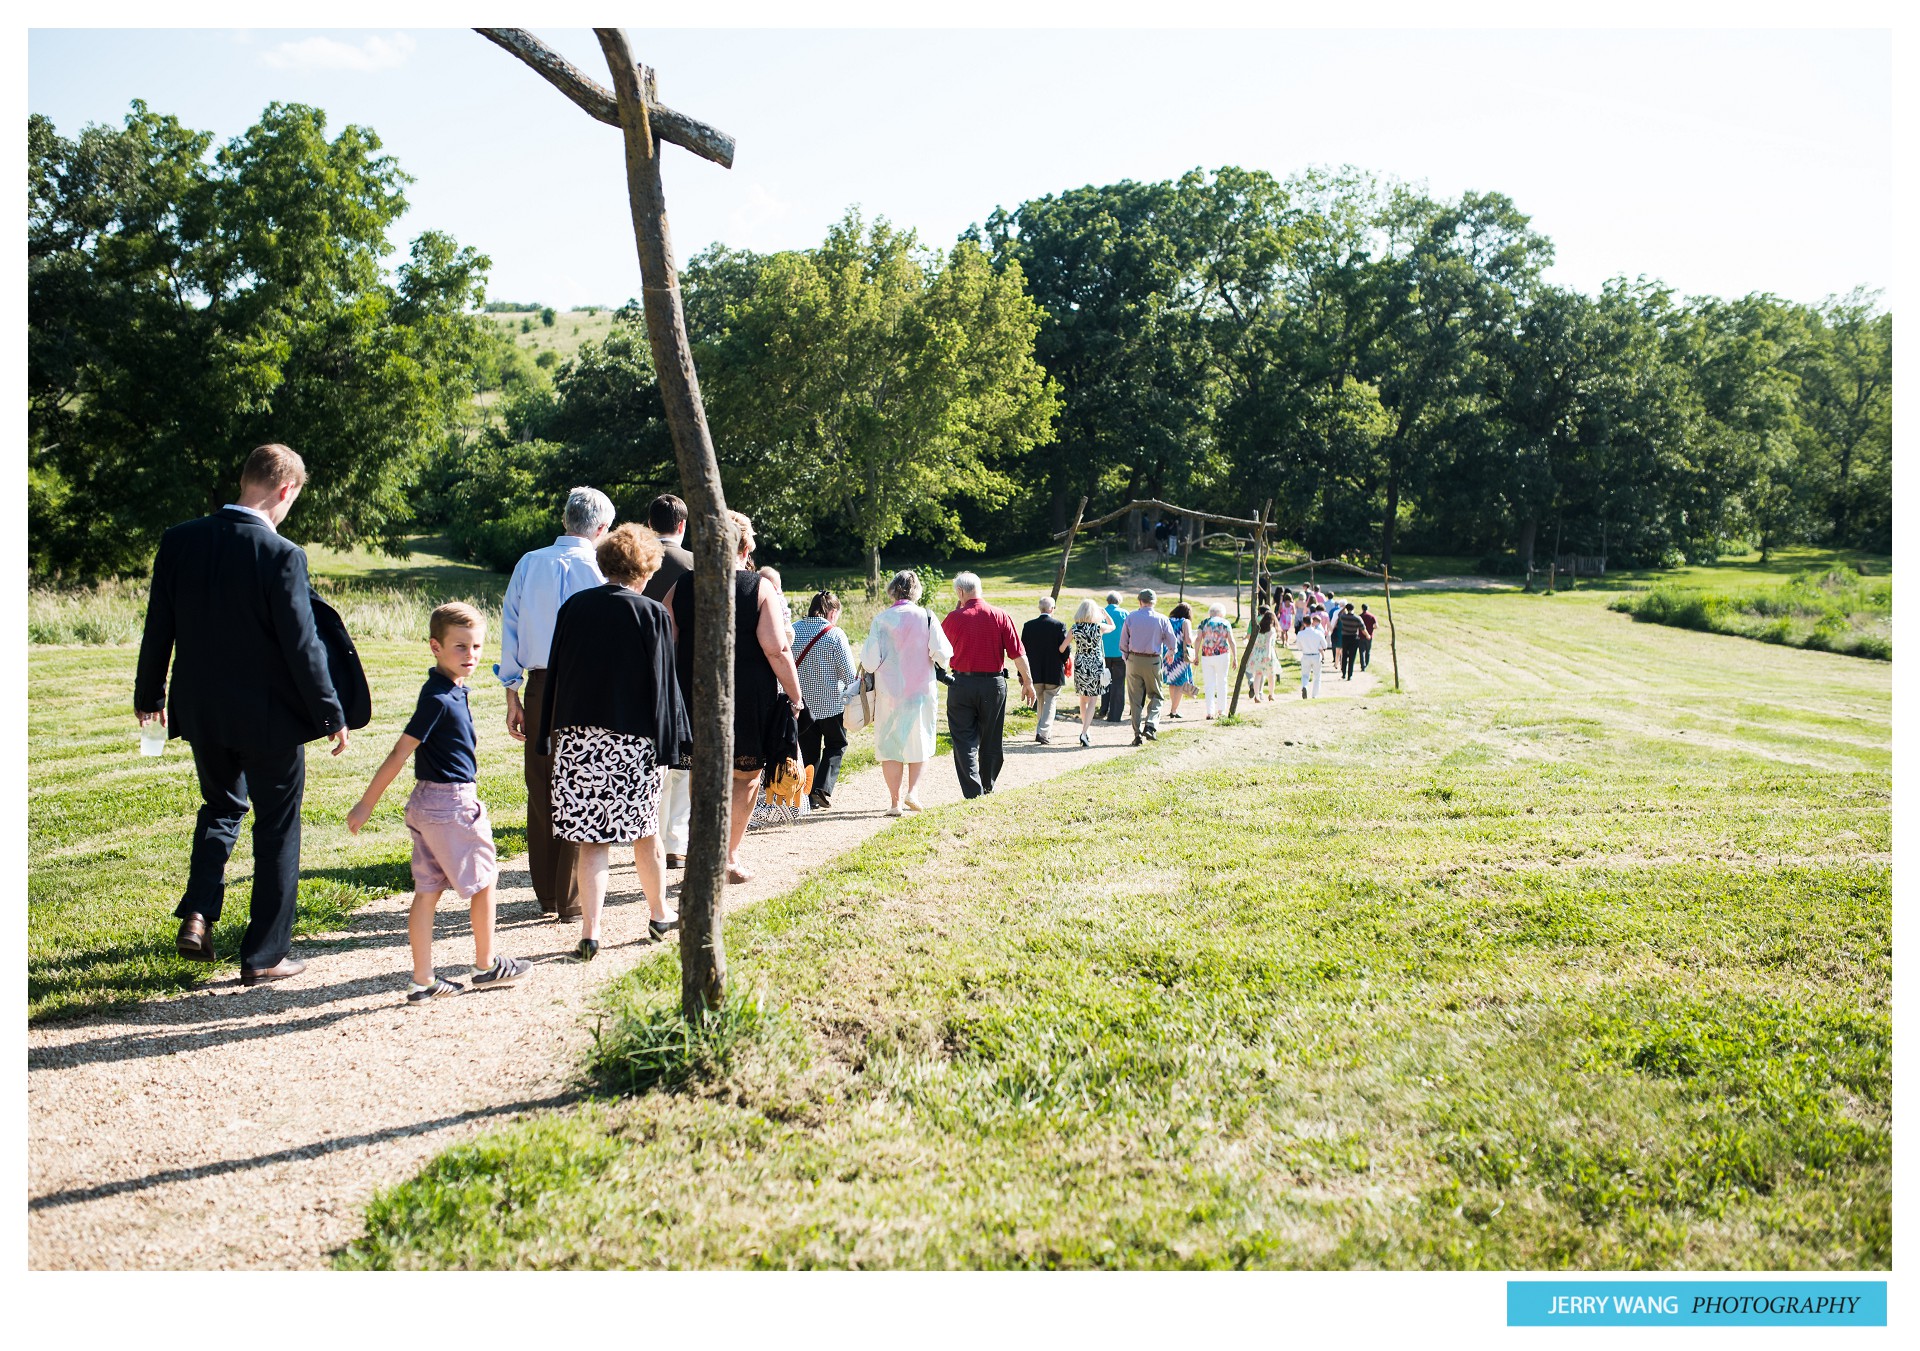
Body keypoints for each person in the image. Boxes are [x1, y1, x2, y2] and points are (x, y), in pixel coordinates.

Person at [135, 443, 353, 987]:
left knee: (221, 806)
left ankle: (199, 911)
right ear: (285, 490)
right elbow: (303, 647)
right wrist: (331, 713)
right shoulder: (281, 555)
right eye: (292, 500)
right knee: (277, 826)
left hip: (201, 710)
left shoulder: (179, 540)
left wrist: (149, 696)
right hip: (269, 718)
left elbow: (158, 624)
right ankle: (264, 955)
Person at [348, 603, 531, 1002]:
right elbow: (399, 752)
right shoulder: (438, 698)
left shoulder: (449, 690)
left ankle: (423, 980)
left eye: (477, 647)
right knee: (484, 881)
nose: (471, 656)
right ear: (435, 646)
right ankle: (486, 965)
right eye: (460, 647)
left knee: (427, 891)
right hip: (451, 804)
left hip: (427, 804)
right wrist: (366, 804)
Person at [538, 524, 689, 960]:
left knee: (591, 840)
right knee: (646, 836)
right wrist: (672, 740)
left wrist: (552, 727)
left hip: (580, 737)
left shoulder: (574, 608)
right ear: (647, 567)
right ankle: (660, 915)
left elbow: (558, 668)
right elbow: (664, 684)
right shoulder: (652, 614)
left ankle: (590, 930)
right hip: (634, 740)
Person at [664, 510, 804, 884]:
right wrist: (795, 693)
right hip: (746, 697)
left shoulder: (682, 586)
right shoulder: (758, 588)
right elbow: (776, 649)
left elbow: (666, 641)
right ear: (746, 546)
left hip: (695, 695)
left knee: (703, 771)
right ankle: (726, 857)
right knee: (745, 777)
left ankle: (702, 850)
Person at [498, 487, 613, 920]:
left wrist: (512, 693)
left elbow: (510, 626)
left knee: (541, 784)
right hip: (587, 686)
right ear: (600, 529)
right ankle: (569, 897)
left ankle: (548, 892)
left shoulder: (529, 563)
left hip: (540, 684)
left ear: (566, 520)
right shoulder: (602, 569)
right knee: (580, 785)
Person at [862, 570, 954, 815]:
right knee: (920, 740)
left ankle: (894, 803)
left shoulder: (881, 620)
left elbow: (870, 662)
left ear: (893, 590)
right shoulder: (927, 616)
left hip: (889, 694)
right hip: (920, 691)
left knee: (890, 746)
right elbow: (943, 654)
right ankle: (913, 792)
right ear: (917, 591)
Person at [941, 572, 1036, 797]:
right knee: (991, 737)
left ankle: (973, 790)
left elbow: (936, 651)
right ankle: (988, 784)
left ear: (960, 592)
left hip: (961, 682)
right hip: (993, 684)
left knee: (963, 739)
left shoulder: (953, 618)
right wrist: (1028, 682)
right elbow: (1018, 654)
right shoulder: (1000, 615)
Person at [640, 494, 695, 869]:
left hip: (642, 669)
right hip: (686, 668)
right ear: (682, 526)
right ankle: (676, 839)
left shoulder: (635, 562)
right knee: (684, 759)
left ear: (650, 524)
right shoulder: (696, 564)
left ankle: (649, 834)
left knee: (649, 754)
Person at [792, 591, 858, 809]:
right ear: (831, 612)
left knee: (808, 751)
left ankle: (808, 795)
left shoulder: (793, 629)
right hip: (831, 704)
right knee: (837, 744)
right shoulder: (835, 635)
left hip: (802, 705)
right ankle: (821, 788)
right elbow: (849, 675)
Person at [1119, 588, 1175, 746]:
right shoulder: (1162, 619)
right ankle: (1150, 725)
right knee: (1157, 695)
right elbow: (1172, 643)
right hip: (1153, 660)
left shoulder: (1131, 617)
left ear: (1139, 601)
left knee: (1135, 700)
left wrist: (1127, 658)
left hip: (1133, 660)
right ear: (1154, 602)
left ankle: (1137, 735)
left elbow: (1123, 643)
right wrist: (1170, 653)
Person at [1020, 595, 1069, 745]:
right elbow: (1065, 649)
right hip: (1053, 671)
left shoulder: (1028, 626)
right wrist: (1064, 662)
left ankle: (1039, 730)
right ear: (1052, 609)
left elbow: (1022, 651)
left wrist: (1021, 673)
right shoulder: (1059, 625)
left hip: (1034, 672)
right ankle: (1043, 732)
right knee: (1050, 701)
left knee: (1041, 701)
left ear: (1039, 608)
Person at [1068, 598, 1114, 748]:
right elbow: (1113, 626)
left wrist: (1074, 655)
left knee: (1083, 699)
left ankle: (1085, 730)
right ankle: (1084, 731)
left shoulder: (1075, 628)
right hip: (1095, 664)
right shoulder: (1098, 627)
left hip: (1080, 664)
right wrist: (1106, 614)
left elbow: (1062, 647)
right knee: (1093, 700)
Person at [1195, 602, 1237, 719]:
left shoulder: (1203, 623)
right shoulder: (1225, 623)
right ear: (1221, 613)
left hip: (1207, 655)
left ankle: (1209, 712)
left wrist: (1196, 655)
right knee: (1222, 681)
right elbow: (1231, 640)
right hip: (1222, 654)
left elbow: (1198, 639)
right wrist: (1235, 657)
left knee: (1209, 684)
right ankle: (1221, 710)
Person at [1162, 601, 1197, 719]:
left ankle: (1173, 708)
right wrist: (1195, 636)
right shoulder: (1185, 622)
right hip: (1181, 657)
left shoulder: (1168, 620)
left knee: (1172, 682)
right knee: (1180, 683)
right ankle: (1174, 710)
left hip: (1168, 654)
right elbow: (1188, 641)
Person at [1099, 590, 1128, 721]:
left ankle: (1103, 708)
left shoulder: (1100, 613)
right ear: (1119, 601)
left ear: (1107, 601)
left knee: (1105, 681)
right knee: (1118, 683)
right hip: (1119, 653)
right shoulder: (1124, 613)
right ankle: (1115, 714)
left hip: (1103, 653)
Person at [1244, 610, 1276, 702]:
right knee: (1271, 675)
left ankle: (1257, 696)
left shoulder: (1258, 629)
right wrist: (1268, 654)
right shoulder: (1271, 630)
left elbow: (1255, 642)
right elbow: (1268, 643)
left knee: (1258, 674)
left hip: (1258, 653)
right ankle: (1271, 694)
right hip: (1267, 652)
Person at [1296, 611, 1329, 698]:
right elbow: (1325, 645)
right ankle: (1314, 695)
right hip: (1316, 655)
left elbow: (1299, 647)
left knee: (1305, 675)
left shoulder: (1300, 634)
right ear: (1312, 622)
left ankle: (1305, 686)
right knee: (1317, 676)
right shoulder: (1318, 633)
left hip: (1306, 655)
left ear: (1304, 623)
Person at [1336, 601, 1367, 680]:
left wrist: (1343, 608)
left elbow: (1339, 614)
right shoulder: (1357, 618)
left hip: (1345, 637)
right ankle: (1350, 675)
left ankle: (1343, 673)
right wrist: (1367, 635)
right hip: (1354, 638)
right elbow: (1363, 628)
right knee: (1352, 657)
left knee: (1344, 656)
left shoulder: (1344, 617)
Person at [1359, 603, 1378, 672]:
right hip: (1369, 636)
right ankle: (1366, 664)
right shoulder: (1372, 616)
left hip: (1361, 636)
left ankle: (1362, 665)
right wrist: (1372, 628)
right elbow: (1376, 626)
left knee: (1361, 651)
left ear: (1362, 608)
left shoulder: (1360, 616)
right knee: (1368, 651)